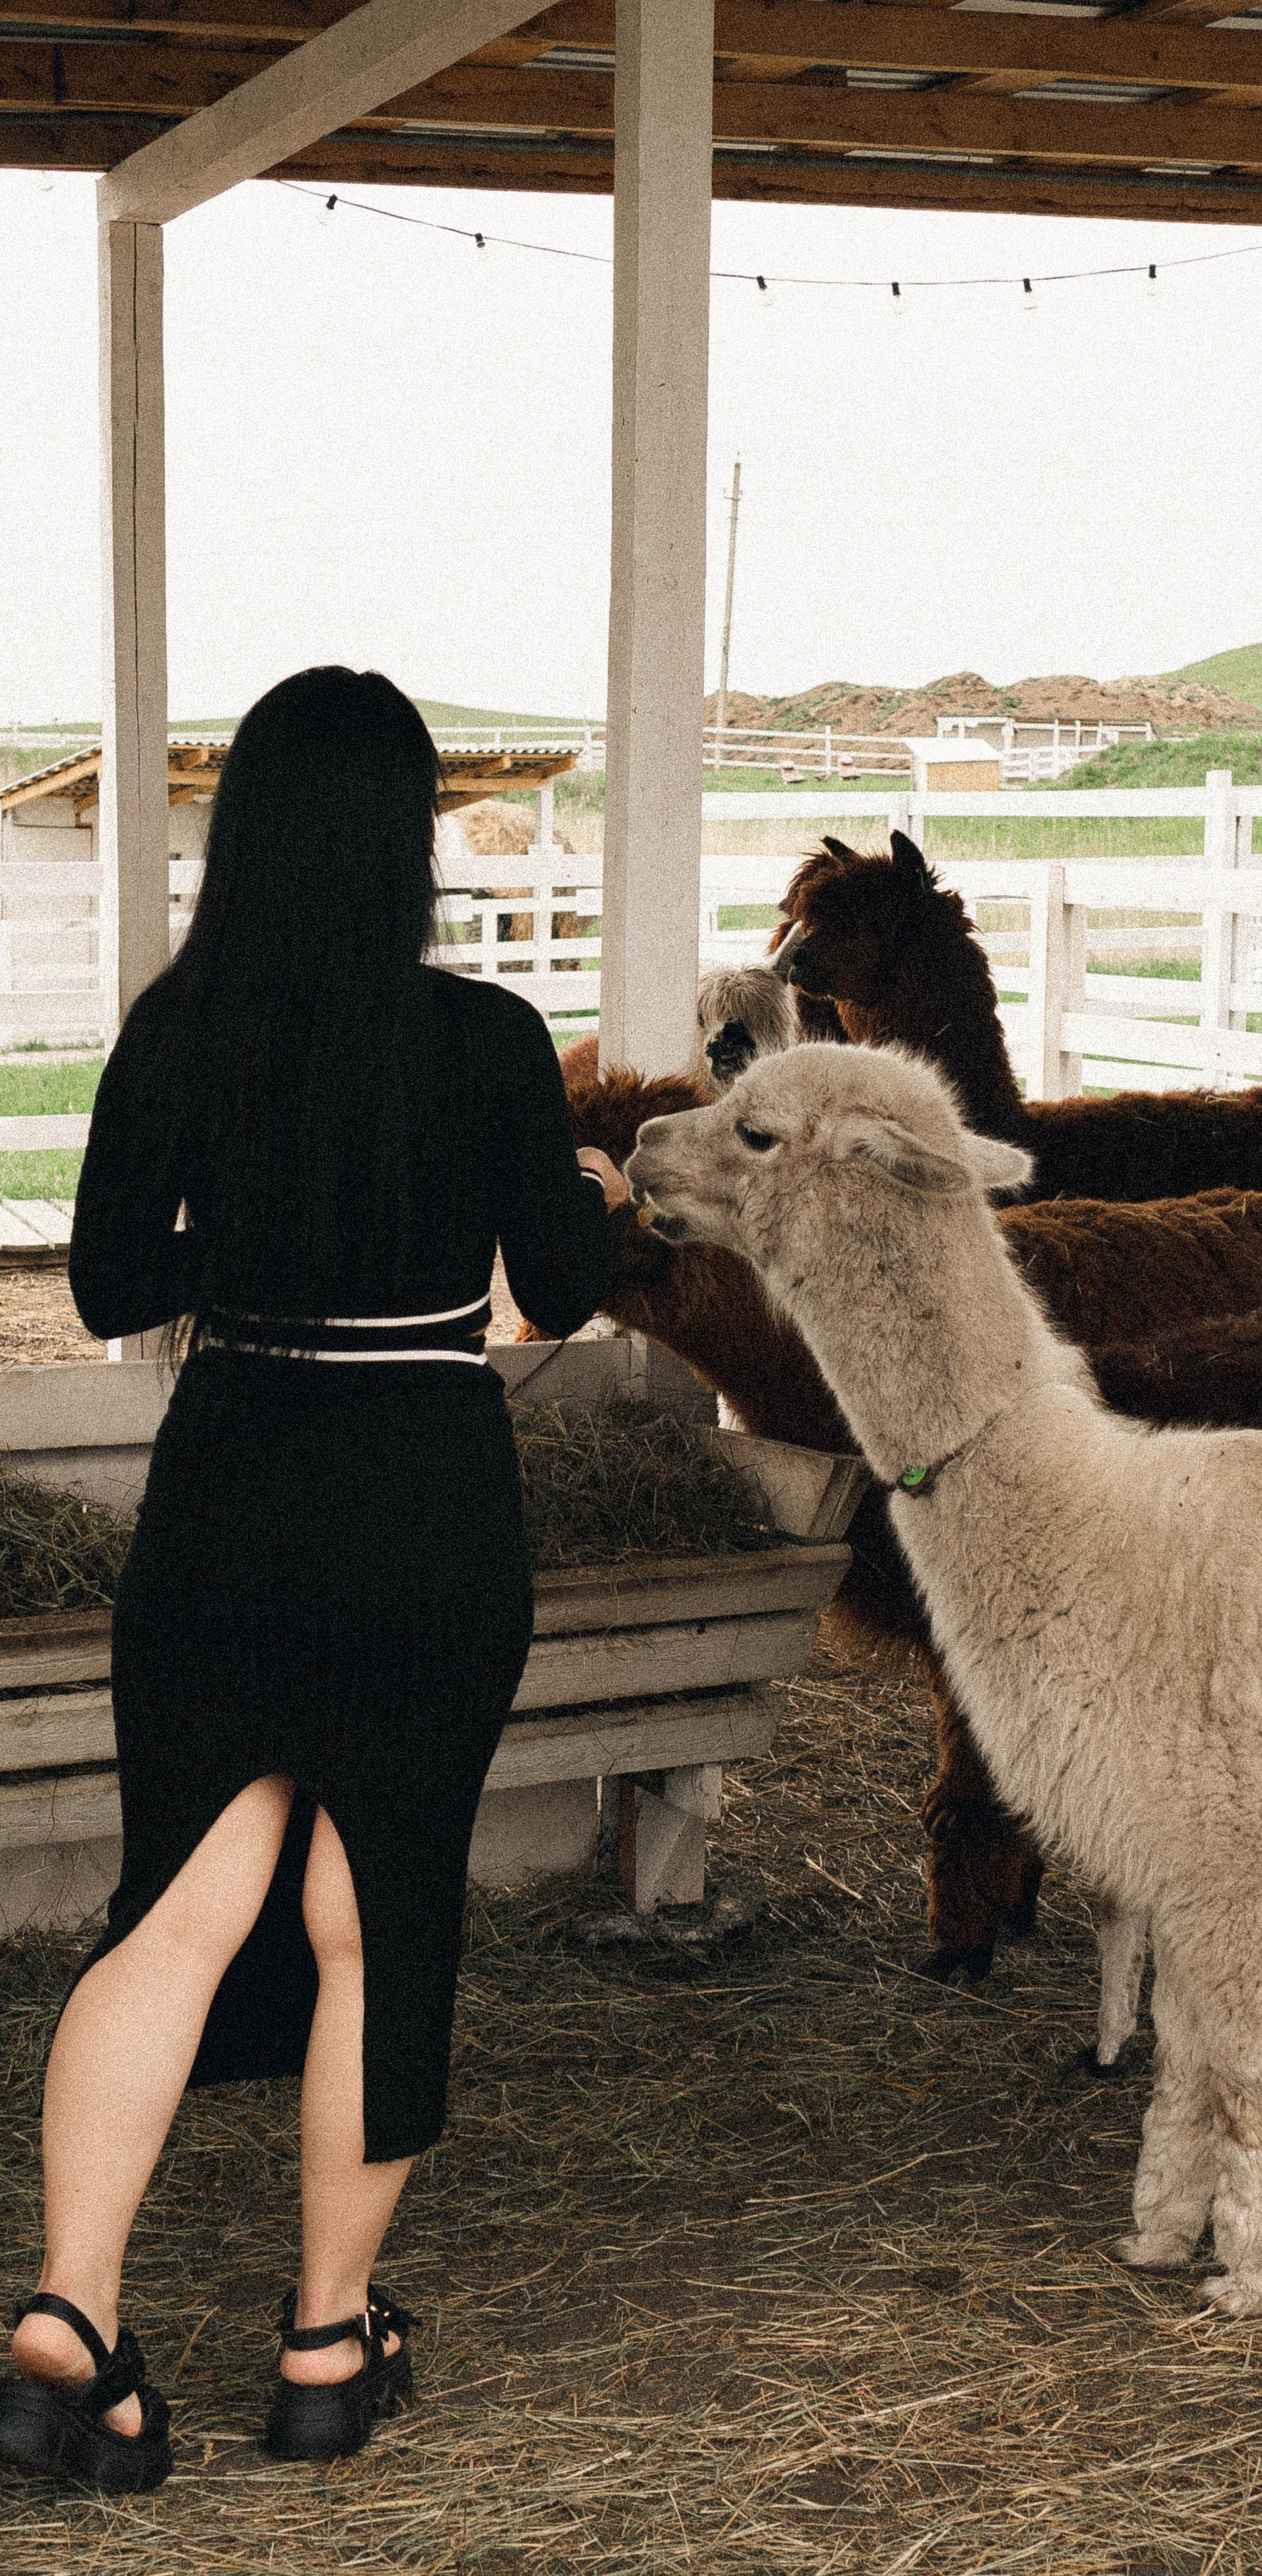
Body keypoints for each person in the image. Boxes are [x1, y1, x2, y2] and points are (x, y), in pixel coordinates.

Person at [0, 670, 628, 2490]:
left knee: (177, 1911)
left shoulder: (179, 1034)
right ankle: (325, 2355)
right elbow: (566, 1287)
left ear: (250, 827)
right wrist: (575, 1186)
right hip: (424, 1503)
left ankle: (63, 2327)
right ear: (409, 837)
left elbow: (114, 1289)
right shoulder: (491, 1040)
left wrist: (259, 1222)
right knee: (380, 1916)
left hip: (229, 1491)